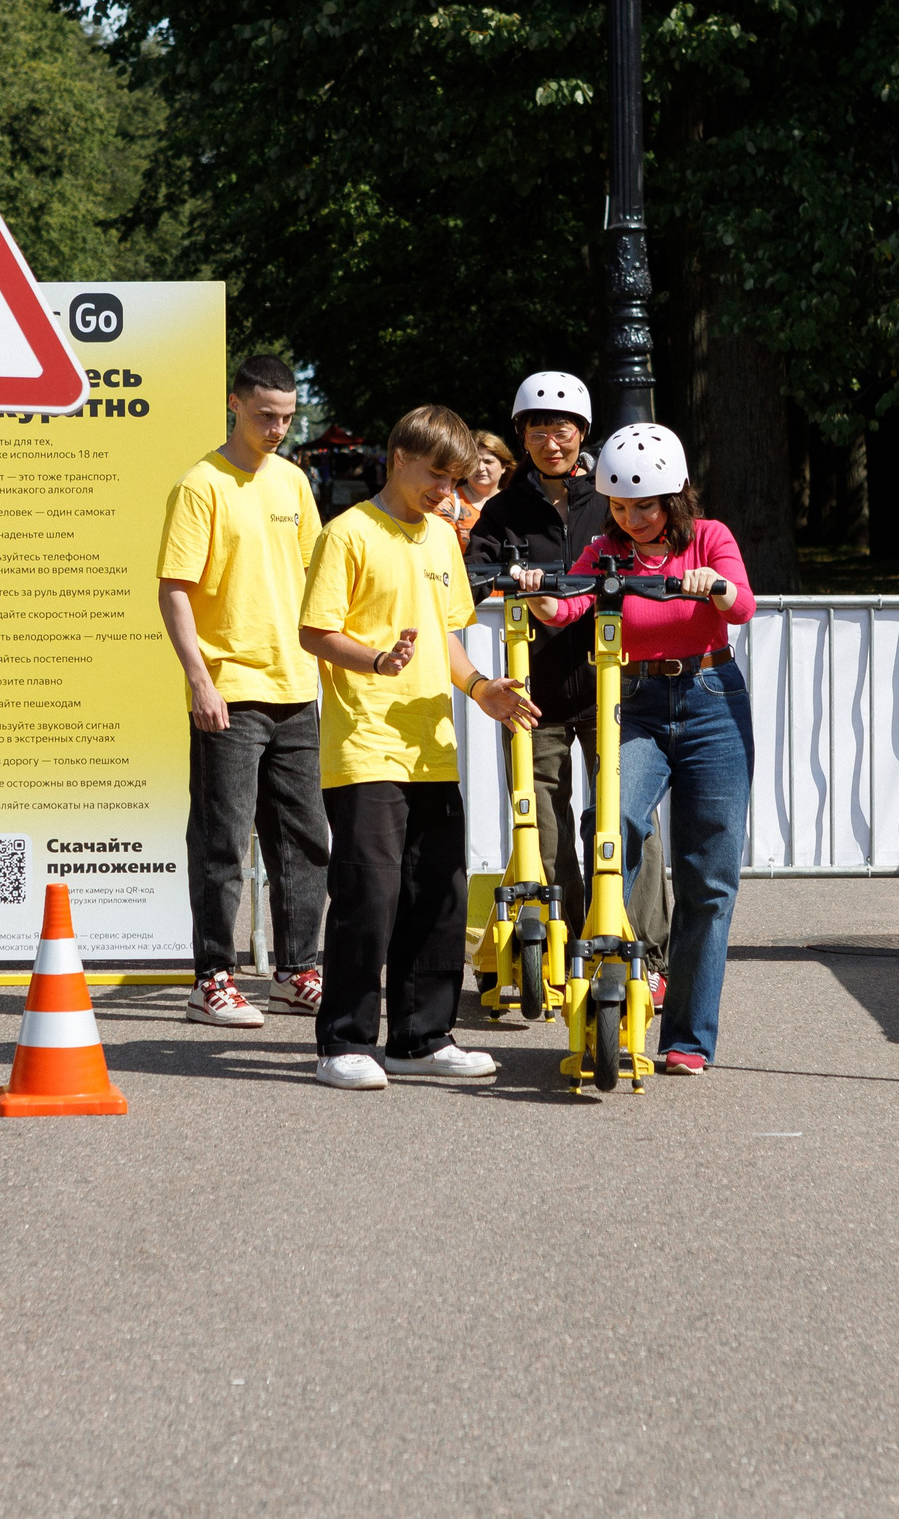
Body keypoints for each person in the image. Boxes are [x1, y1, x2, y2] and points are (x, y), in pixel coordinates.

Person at [298, 404, 537, 1089]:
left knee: (438, 896)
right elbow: (316, 632)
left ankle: (421, 1036)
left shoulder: (440, 537)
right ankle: (343, 1041)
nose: (447, 491)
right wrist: (375, 660)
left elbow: (445, 633)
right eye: (437, 475)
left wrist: (482, 687)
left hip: (432, 744)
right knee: (368, 896)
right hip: (365, 746)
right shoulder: (347, 533)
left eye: (457, 478)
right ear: (399, 458)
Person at [521, 424, 754, 1075]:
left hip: (712, 699)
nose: (632, 519)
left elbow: (743, 605)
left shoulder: (709, 537)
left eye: (644, 506)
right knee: (610, 823)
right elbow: (568, 606)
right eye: (620, 507)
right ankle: (620, 965)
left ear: (675, 496)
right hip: (639, 701)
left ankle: (687, 1037)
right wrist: (540, 589)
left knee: (708, 877)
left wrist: (713, 585)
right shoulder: (606, 551)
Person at [462, 372, 671, 994]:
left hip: (616, 687)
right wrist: (509, 574)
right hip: (537, 689)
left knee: (622, 822)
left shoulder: (613, 497)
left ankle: (649, 959)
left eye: (563, 428)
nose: (551, 440)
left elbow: (659, 552)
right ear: (520, 435)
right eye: (536, 428)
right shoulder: (504, 509)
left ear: (583, 433)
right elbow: (472, 573)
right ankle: (571, 947)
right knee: (543, 826)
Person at [158, 355, 329, 1027]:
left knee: (305, 839)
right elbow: (173, 588)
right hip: (229, 688)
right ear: (235, 404)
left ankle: (296, 972)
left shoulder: (294, 481)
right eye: (265, 416)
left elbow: (317, 577)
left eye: (287, 417)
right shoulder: (201, 484)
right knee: (224, 841)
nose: (278, 428)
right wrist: (199, 676)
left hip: (296, 685)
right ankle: (212, 977)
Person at [435, 431, 512, 547]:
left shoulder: (513, 504)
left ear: (504, 467)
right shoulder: (448, 502)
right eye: (474, 462)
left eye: (488, 461)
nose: (480, 468)